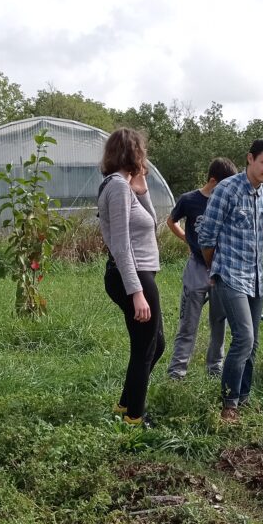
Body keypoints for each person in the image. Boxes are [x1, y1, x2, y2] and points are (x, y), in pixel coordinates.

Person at [199, 139, 263, 422]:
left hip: (256, 277)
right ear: (250, 159)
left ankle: (244, 398)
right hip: (229, 275)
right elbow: (207, 236)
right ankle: (228, 404)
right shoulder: (227, 189)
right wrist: (216, 269)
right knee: (243, 337)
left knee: (254, 342)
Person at [98, 128, 164, 427]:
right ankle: (135, 417)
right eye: (142, 152)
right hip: (132, 275)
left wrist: (143, 186)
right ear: (134, 154)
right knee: (146, 347)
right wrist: (136, 291)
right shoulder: (116, 188)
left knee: (154, 344)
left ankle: (126, 403)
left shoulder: (125, 187)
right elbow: (121, 244)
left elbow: (151, 222)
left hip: (139, 273)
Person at [165, 157, 237, 380]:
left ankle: (215, 369)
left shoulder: (227, 202)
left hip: (220, 269)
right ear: (214, 181)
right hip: (196, 268)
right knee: (188, 323)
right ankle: (177, 372)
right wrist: (188, 240)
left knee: (219, 323)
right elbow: (171, 221)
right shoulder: (189, 200)